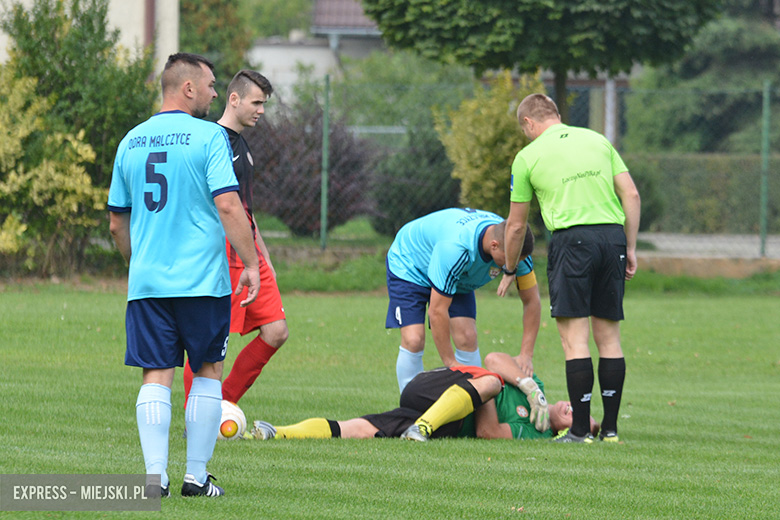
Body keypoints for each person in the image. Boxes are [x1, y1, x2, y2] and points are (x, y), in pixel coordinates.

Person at [108, 53, 261, 498]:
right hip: (202, 282)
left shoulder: (130, 141)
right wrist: (250, 264)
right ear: (188, 88)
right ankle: (196, 476)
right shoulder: (210, 137)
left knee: (155, 375)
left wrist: (139, 266)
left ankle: (154, 480)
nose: (216, 93)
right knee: (208, 369)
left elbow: (118, 222)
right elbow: (229, 205)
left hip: (148, 285)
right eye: (211, 85)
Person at [497, 93, 641, 443]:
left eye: (524, 130)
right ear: (557, 115)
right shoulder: (597, 139)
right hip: (612, 239)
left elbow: (515, 227)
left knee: (574, 340)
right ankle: (609, 429)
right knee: (609, 337)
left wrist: (511, 267)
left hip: (572, 243)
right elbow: (632, 195)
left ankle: (579, 431)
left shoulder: (527, 156)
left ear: (529, 123)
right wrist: (631, 246)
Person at [182, 69, 288, 408]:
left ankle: (222, 404)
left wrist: (263, 257)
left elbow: (245, 209)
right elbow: (218, 206)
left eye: (264, 104)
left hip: (249, 253)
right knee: (213, 340)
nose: (261, 110)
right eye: (256, 102)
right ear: (234, 99)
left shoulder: (243, 145)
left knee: (276, 331)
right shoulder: (211, 140)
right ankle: (197, 412)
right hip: (222, 253)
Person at [249, 351, 599, 441]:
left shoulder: (534, 433)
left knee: (360, 429)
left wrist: (487, 394)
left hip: (447, 420)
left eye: (578, 418)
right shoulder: (536, 388)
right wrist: (528, 385)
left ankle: (276, 431)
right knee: (491, 378)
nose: (572, 408)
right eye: (579, 408)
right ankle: (423, 429)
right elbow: (493, 360)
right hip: (434, 388)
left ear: (564, 430)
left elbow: (488, 432)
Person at [386, 208, 540, 393]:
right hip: (411, 264)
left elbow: (531, 301)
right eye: (510, 261)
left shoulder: (515, 247)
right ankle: (410, 407)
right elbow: (436, 311)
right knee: (414, 339)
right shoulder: (457, 249)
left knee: (467, 336)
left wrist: (526, 354)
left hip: (457, 275)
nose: (514, 266)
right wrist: (450, 362)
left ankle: (473, 407)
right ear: (494, 246)